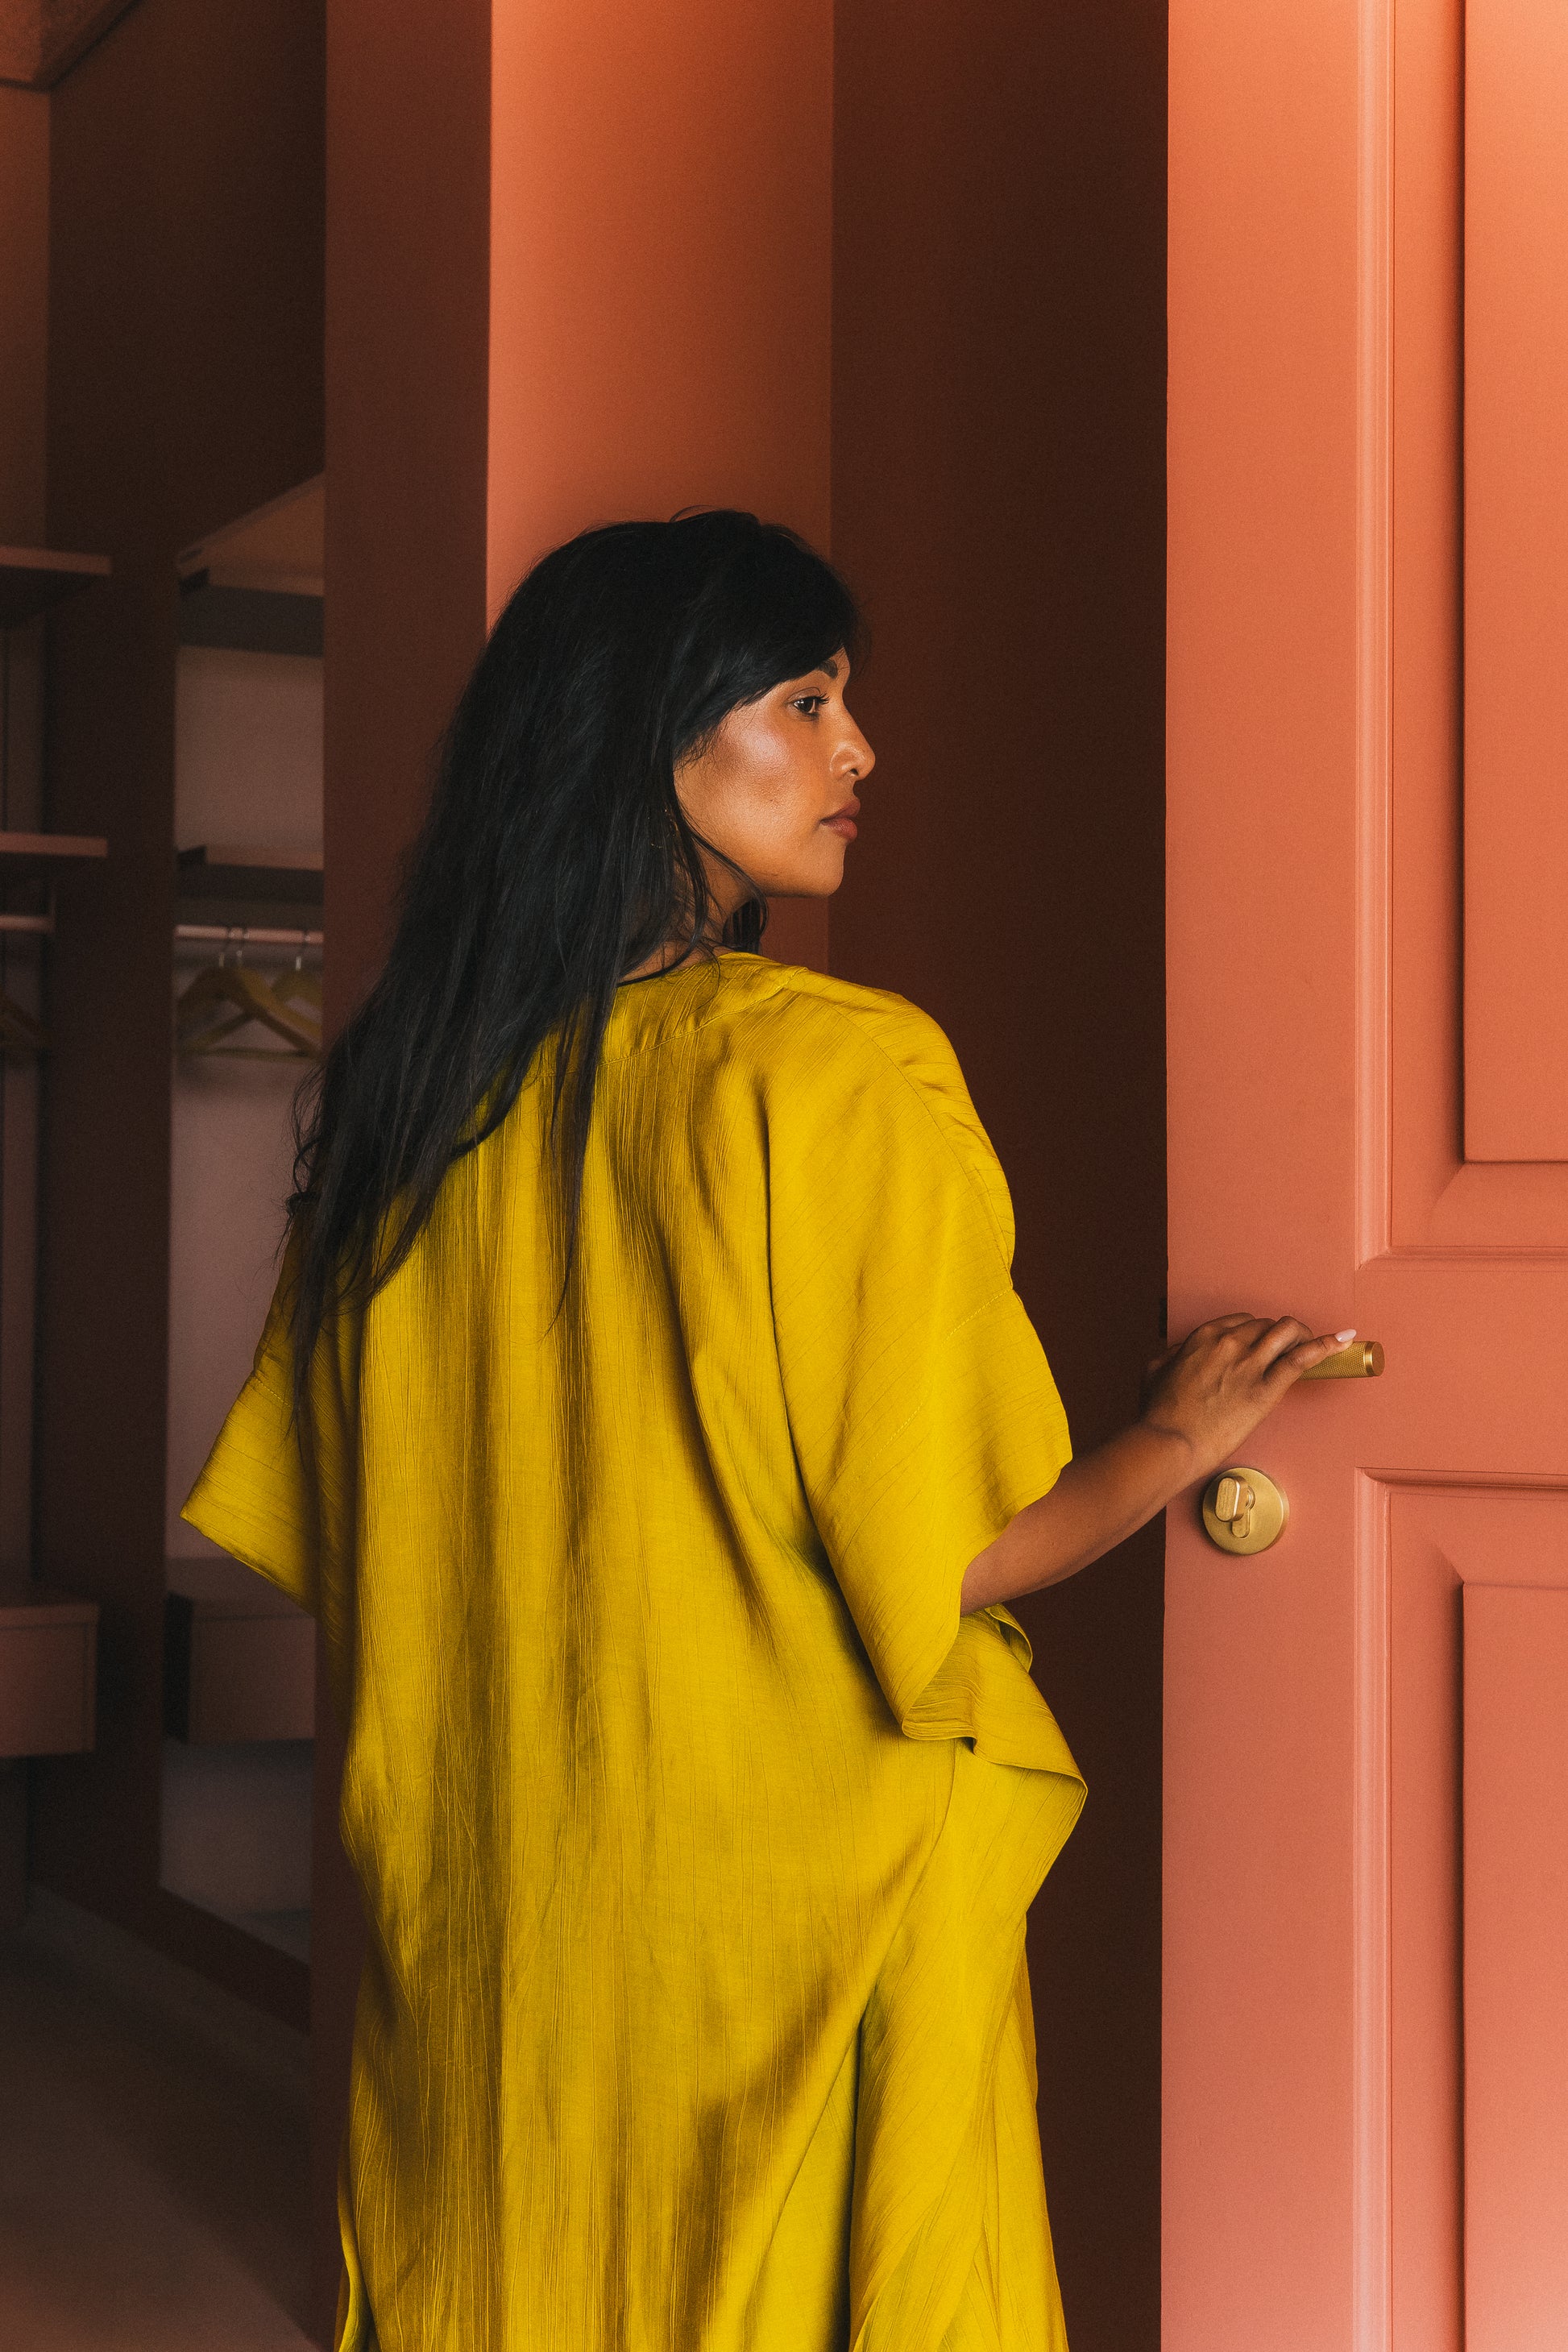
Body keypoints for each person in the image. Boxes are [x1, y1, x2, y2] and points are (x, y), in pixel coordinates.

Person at [184, 509, 1350, 2352]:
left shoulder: (411, 1095)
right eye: (802, 700)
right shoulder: (832, 1068)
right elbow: (950, 1549)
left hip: (497, 1903)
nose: (856, 749)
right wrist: (1172, 1438)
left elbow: (355, 1527)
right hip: (795, 1901)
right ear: (643, 730)